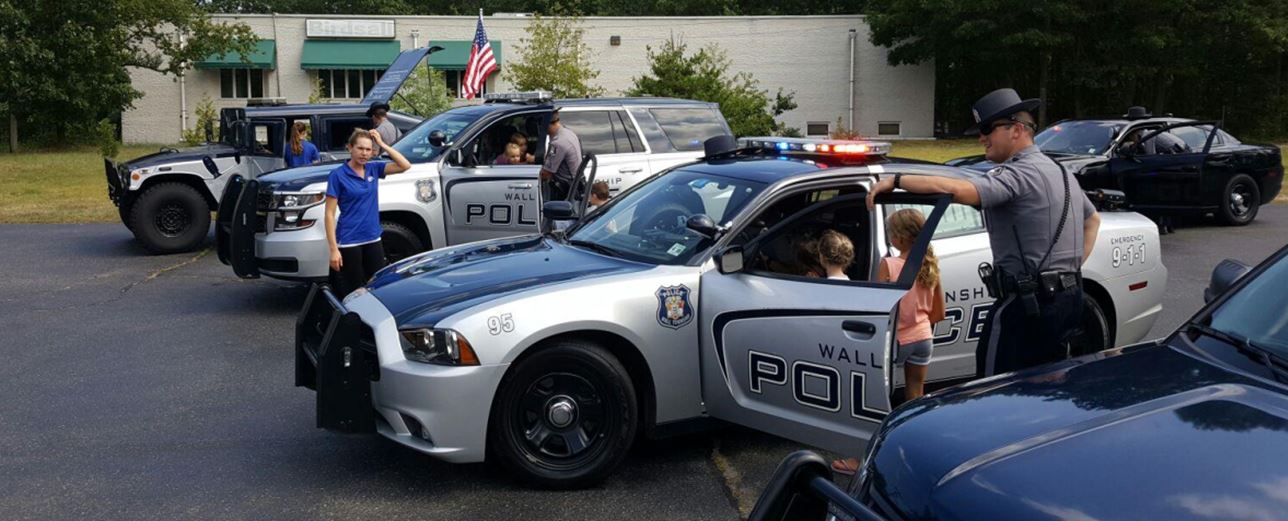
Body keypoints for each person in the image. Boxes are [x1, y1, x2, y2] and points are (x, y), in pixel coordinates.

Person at [867, 87, 1101, 378]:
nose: (981, 138)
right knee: (1044, 390)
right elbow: (1092, 221)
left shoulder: (1018, 174)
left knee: (994, 390)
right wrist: (1071, 267)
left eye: (988, 129)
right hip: (1069, 298)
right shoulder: (1062, 173)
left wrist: (897, 180)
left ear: (1017, 129)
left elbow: (957, 189)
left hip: (1026, 308)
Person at [832, 212, 943, 476]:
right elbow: (940, 312)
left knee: (875, 401)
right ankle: (913, 453)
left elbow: (875, 307)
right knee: (914, 398)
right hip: (924, 338)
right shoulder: (931, 265)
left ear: (899, 238)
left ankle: (864, 460)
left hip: (897, 340)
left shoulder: (889, 265)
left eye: (891, 232)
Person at [324, 128, 412, 298]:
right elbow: (329, 214)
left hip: (373, 237)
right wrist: (333, 250)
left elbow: (405, 165)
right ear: (350, 148)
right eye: (360, 148)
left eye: (368, 149)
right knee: (353, 292)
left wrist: (381, 143)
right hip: (349, 241)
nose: (364, 153)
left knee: (378, 287)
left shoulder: (373, 169)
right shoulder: (337, 175)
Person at [540, 110, 582, 201]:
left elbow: (546, 174)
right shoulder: (568, 132)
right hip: (575, 184)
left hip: (567, 190)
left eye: (541, 125)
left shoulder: (559, 143)